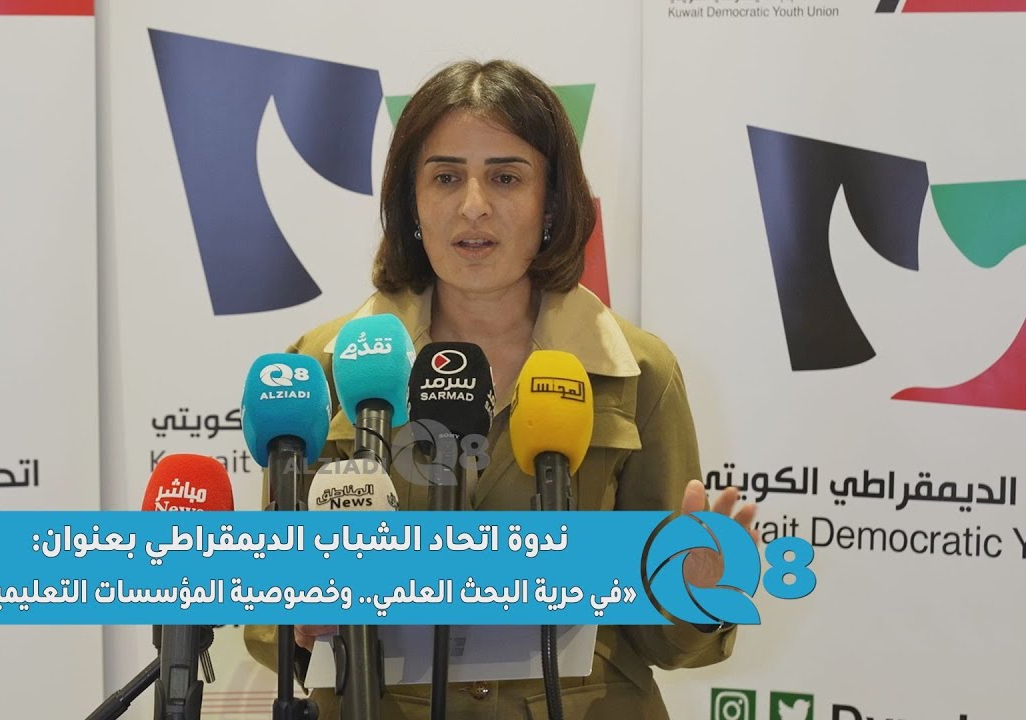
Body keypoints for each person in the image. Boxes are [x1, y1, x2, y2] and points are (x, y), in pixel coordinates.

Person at [244, 58, 759, 720]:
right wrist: (296, 613)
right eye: (446, 177)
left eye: (506, 177)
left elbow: (667, 641)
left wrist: (699, 589)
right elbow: (268, 621)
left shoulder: (637, 370)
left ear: (553, 204)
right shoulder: (326, 365)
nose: (473, 206)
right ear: (409, 203)